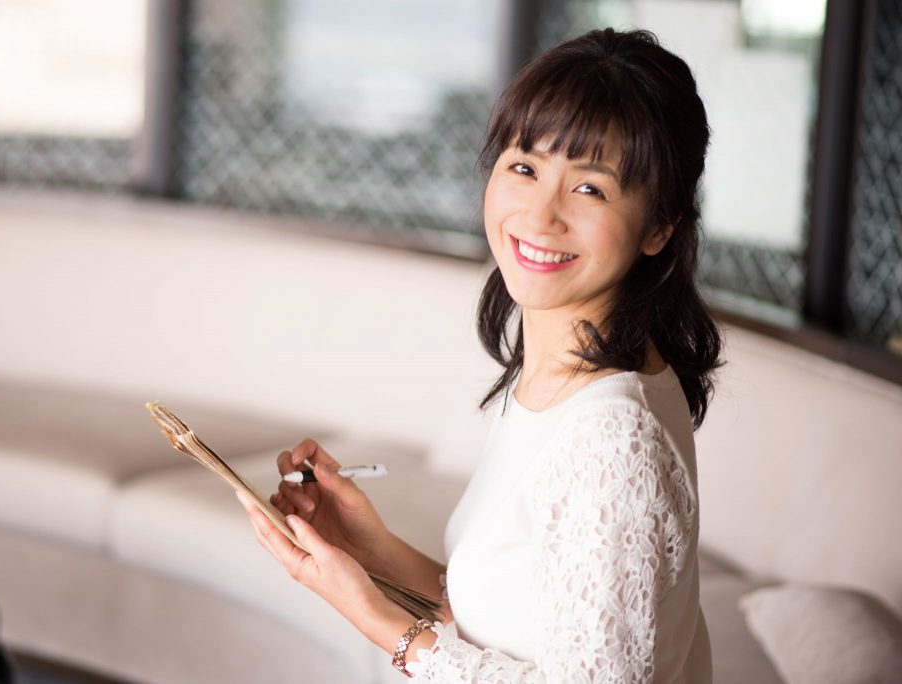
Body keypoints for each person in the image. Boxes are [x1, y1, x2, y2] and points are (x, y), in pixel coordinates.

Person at [237, 26, 724, 682]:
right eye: (525, 168)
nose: (541, 214)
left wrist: (369, 613)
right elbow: (528, 617)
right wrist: (368, 551)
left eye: (590, 189)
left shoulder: (614, 437)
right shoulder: (563, 374)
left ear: (659, 227)